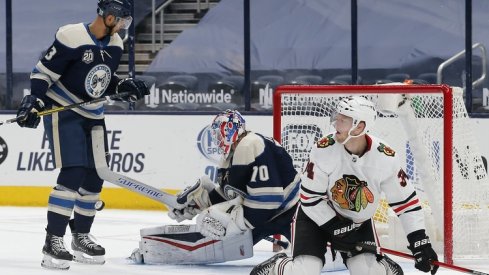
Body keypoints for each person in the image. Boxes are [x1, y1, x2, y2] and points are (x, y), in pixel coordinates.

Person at [15, 0, 149, 270]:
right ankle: (53, 240)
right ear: (109, 17)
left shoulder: (115, 44)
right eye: (122, 19)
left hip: (94, 113)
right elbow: (42, 73)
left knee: (96, 175)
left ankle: (81, 236)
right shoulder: (71, 35)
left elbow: (103, 78)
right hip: (63, 109)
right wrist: (34, 102)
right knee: (74, 171)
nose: (124, 25)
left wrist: (123, 84)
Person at [250, 96, 439, 275]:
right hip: (314, 219)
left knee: (366, 272)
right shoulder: (324, 149)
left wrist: (419, 241)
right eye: (337, 118)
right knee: (304, 271)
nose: (335, 123)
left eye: (343, 120)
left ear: (359, 127)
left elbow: (406, 203)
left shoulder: (385, 157)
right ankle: (278, 265)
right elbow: (309, 198)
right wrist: (335, 226)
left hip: (357, 221)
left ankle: (383, 267)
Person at [168, 109, 301, 247]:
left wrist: (233, 223)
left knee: (315, 259)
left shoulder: (251, 144)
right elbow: (233, 194)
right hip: (268, 217)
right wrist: (199, 203)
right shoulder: (232, 156)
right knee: (221, 242)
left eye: (219, 133)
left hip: (295, 213)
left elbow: (268, 200)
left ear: (229, 130)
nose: (217, 139)